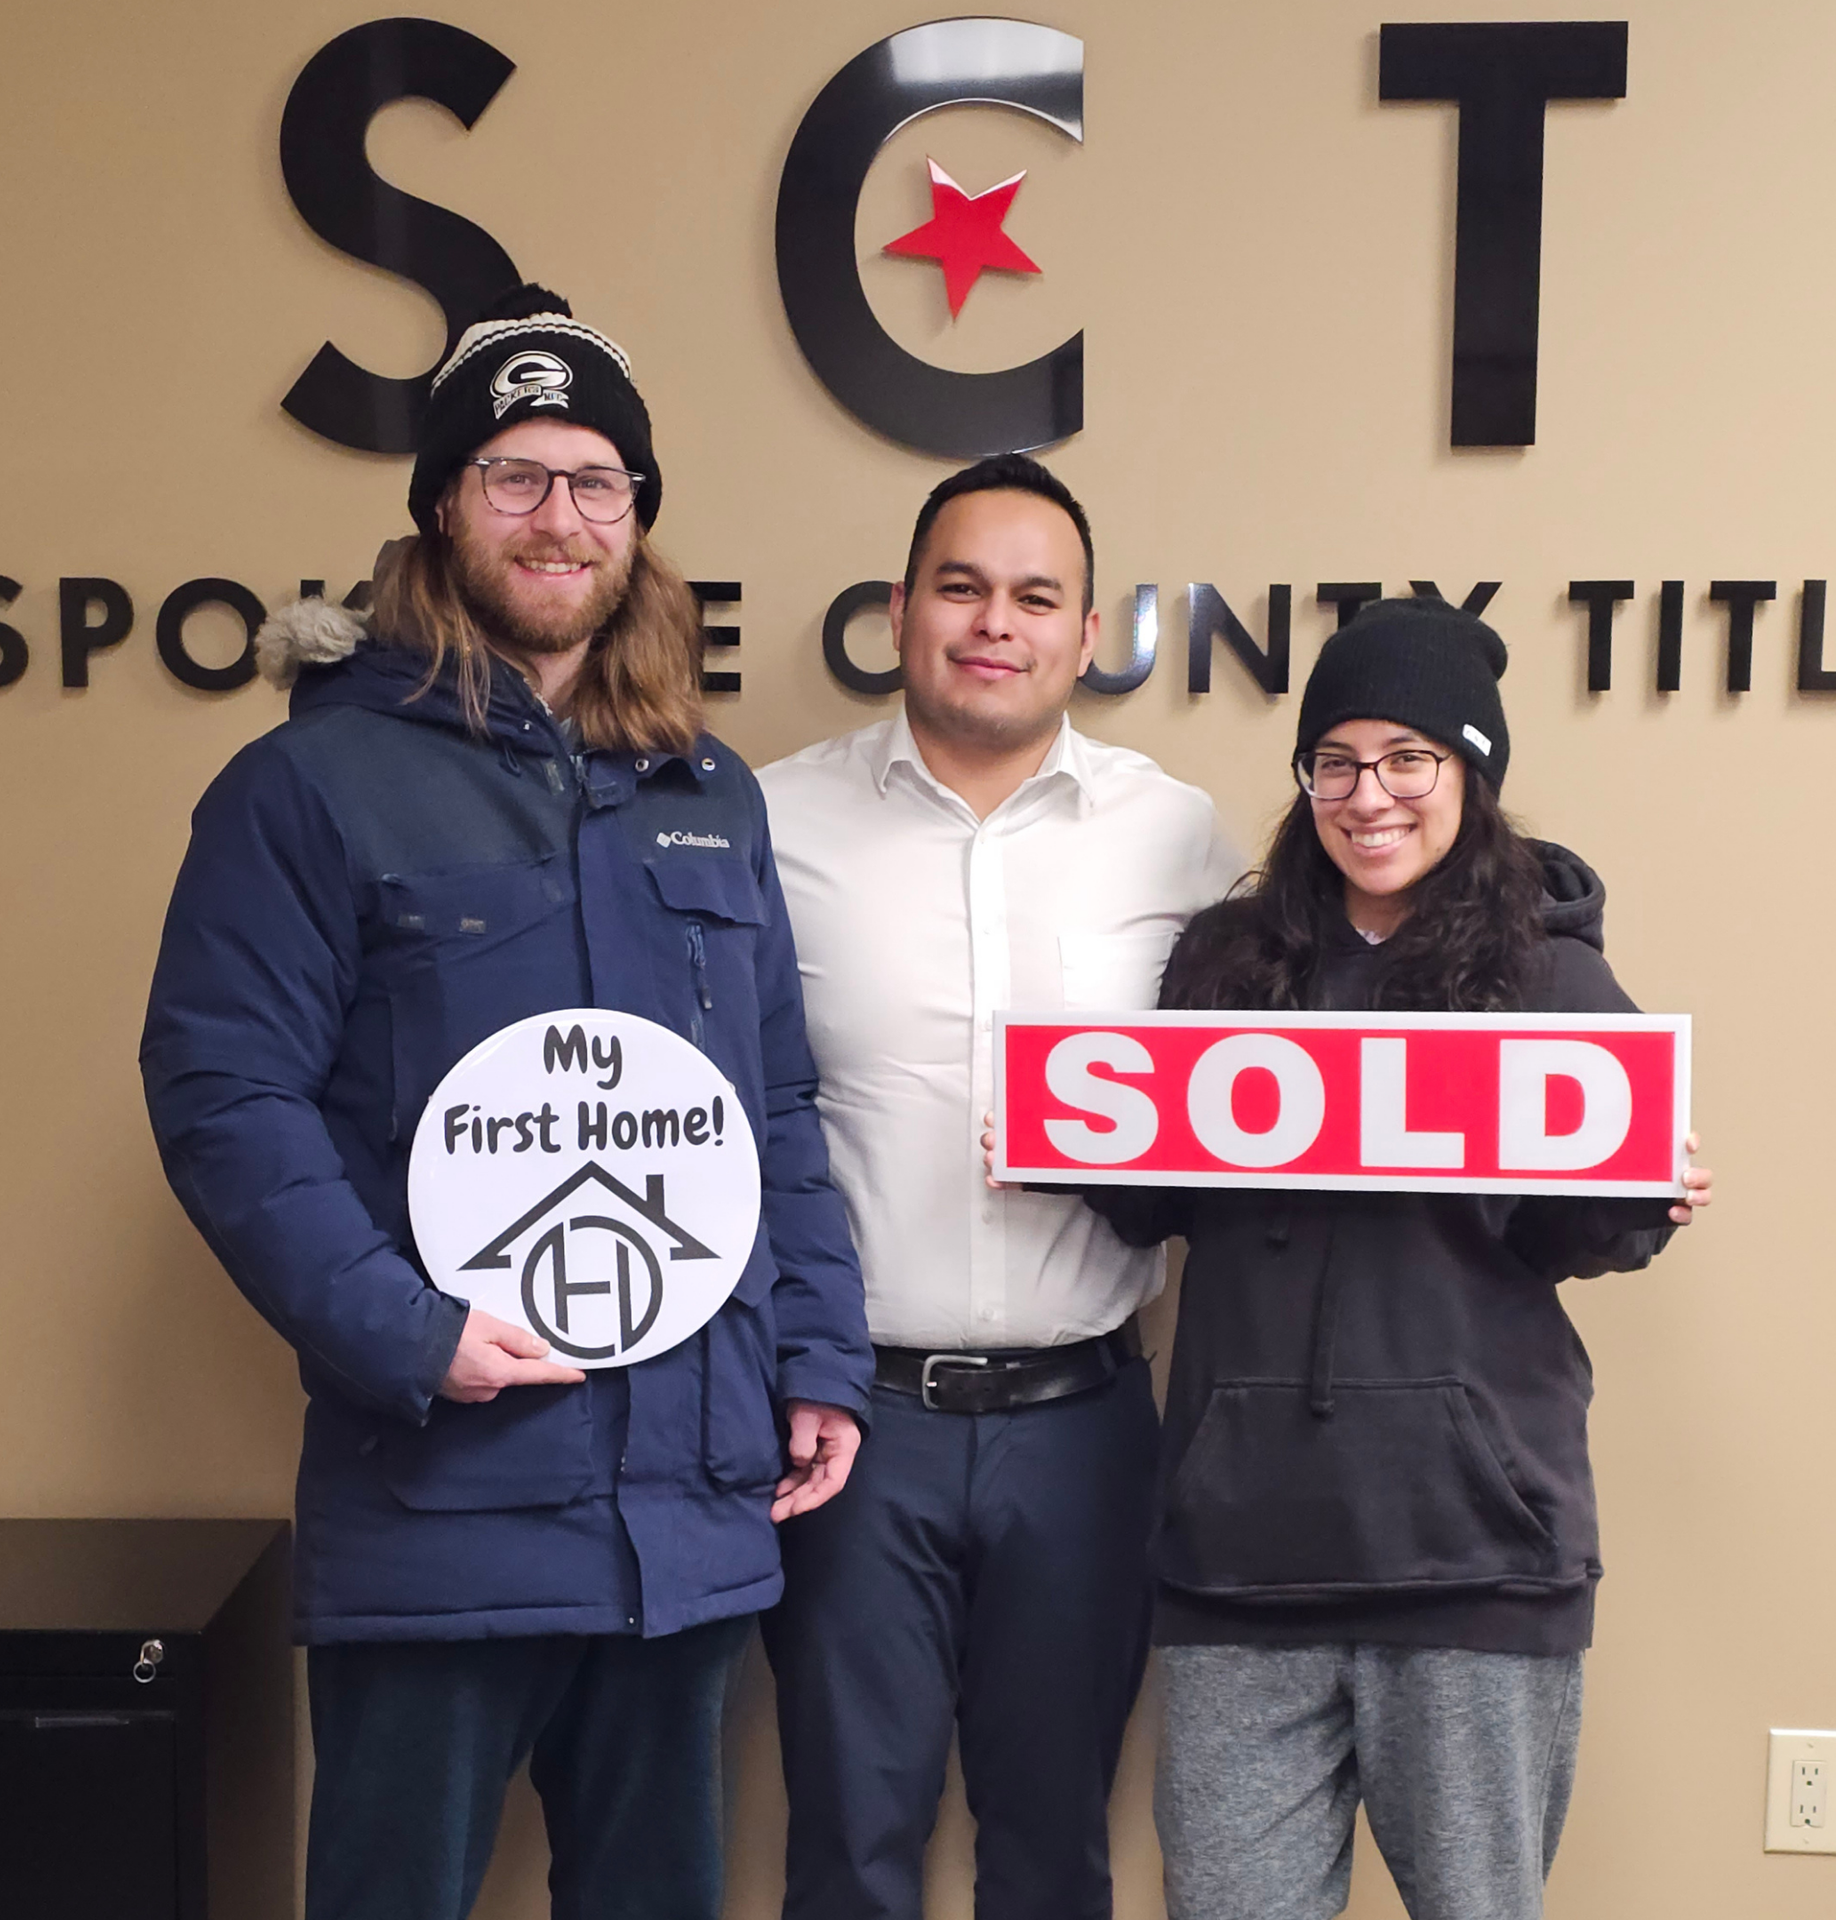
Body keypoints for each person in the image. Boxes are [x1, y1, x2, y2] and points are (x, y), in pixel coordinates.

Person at [139, 283, 872, 1920]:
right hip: (439, 1506)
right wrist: (405, 1332)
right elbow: (221, 1091)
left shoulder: (708, 791)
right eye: (515, 476)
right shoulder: (307, 787)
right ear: (443, 511)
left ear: (639, 520)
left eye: (596, 481)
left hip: (687, 1514)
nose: (560, 518)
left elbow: (772, 1110)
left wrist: (817, 1360)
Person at [1062, 597, 1712, 1920]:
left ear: (1470, 775)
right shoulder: (1227, 966)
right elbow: (1150, 1209)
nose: (1370, 795)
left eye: (1409, 759)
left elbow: (1591, 1235)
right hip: (1239, 1559)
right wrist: (1069, 1122)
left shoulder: (1549, 980)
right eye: (1337, 760)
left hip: (1471, 1559)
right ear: (1305, 782)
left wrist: (1645, 1184)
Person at [756, 453, 1243, 1920]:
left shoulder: (1178, 835)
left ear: (1087, 634)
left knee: (1053, 1851)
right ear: (901, 610)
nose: (995, 622)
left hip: (1086, 1428)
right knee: (849, 1848)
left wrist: (1564, 1126)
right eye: (962, 587)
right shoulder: (767, 823)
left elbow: (1306, 1063)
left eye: (1037, 596)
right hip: (848, 1429)